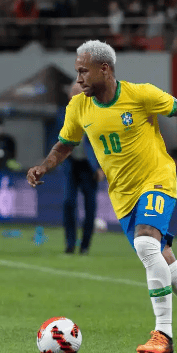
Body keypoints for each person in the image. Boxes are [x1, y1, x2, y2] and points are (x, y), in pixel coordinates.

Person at [27, 40, 177, 353]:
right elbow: (66, 144)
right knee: (170, 272)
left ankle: (163, 335)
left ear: (105, 69)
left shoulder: (140, 95)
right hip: (124, 196)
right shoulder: (78, 107)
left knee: (145, 243)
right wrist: (44, 166)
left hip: (158, 179)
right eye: (77, 72)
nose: (79, 79)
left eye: (83, 72)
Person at [63, 83, 103, 255]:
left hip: (89, 167)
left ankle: (85, 246)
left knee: (90, 207)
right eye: (72, 93)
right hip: (72, 164)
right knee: (68, 203)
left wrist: (102, 168)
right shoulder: (64, 114)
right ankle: (70, 244)